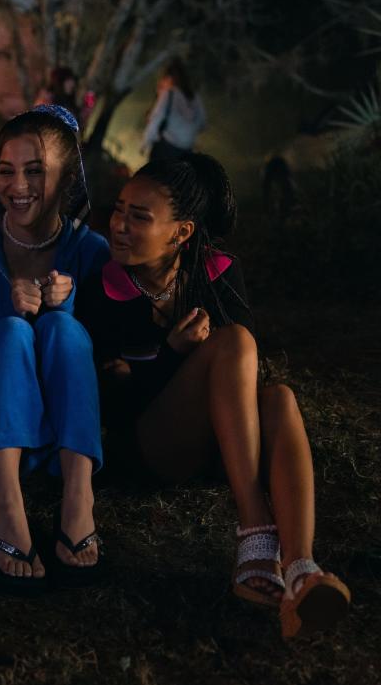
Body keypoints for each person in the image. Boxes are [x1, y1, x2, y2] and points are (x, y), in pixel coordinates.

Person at [76, 153, 350, 638]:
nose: (118, 225)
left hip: (221, 444)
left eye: (139, 217)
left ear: (181, 232)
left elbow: (243, 379)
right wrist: (169, 354)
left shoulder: (219, 273)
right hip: (145, 447)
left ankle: (301, 568)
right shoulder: (103, 288)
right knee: (235, 340)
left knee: (280, 397)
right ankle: (255, 531)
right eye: (119, 209)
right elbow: (107, 400)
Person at [0, 105, 109, 594]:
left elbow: (105, 355)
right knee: (12, 333)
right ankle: (3, 501)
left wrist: (66, 308)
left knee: (66, 333)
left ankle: (78, 495)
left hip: (53, 427)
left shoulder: (91, 251)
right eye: (6, 171)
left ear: (67, 177)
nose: (18, 186)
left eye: (35, 171)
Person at [141, 59, 206, 162]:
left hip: (166, 148)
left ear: (169, 77)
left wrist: (145, 143)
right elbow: (202, 124)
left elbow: (155, 120)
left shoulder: (169, 94)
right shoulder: (195, 97)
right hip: (186, 151)